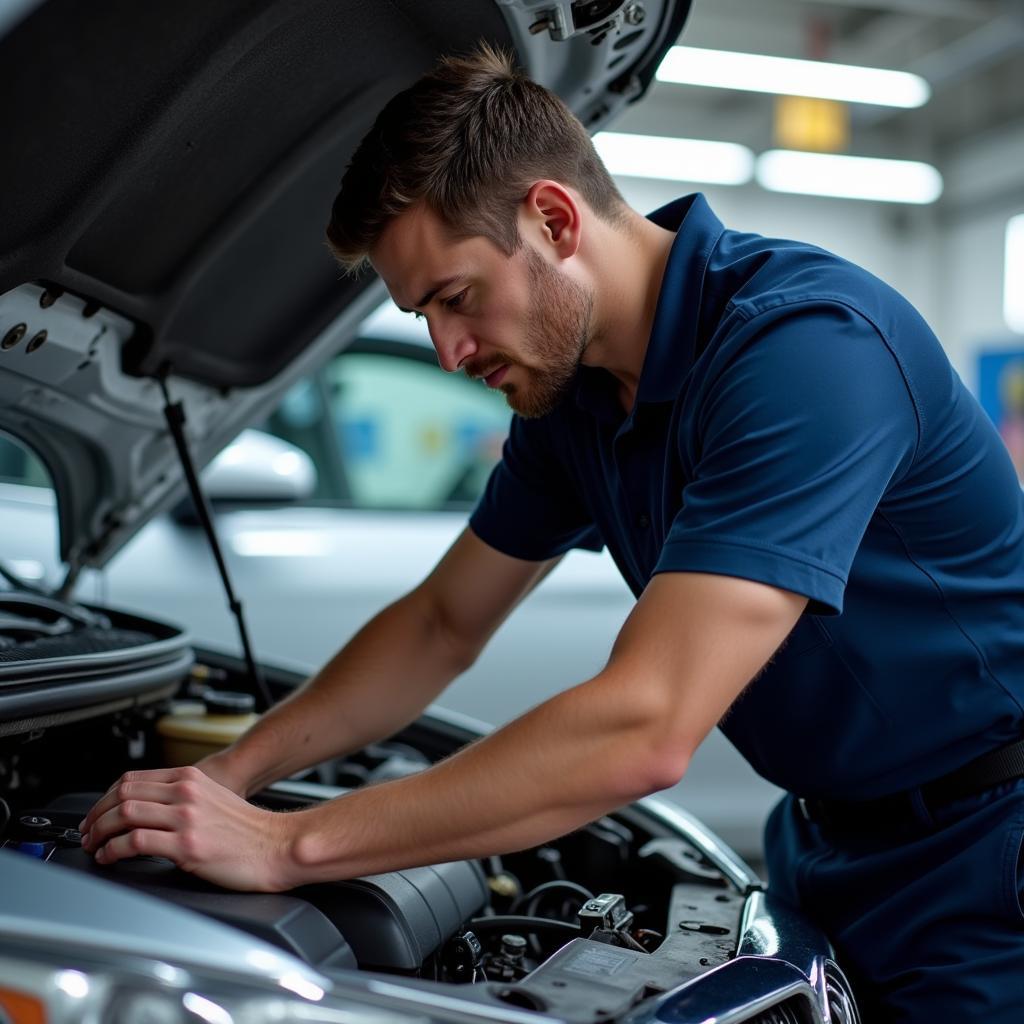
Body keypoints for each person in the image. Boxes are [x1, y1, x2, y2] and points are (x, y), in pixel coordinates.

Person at [79, 45, 1024, 1021]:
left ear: (554, 220)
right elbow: (442, 622)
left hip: (984, 861)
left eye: (455, 299)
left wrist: (285, 844)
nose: (447, 351)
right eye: (421, 314)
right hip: (820, 840)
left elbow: (644, 724)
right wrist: (225, 776)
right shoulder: (572, 398)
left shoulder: (807, 352)